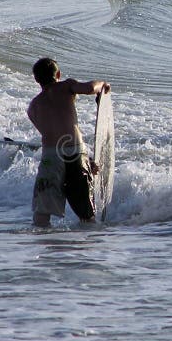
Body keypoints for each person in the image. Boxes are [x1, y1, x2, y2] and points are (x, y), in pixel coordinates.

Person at [27, 58, 110, 227]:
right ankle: (89, 244)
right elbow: (89, 88)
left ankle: (43, 243)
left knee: (42, 213)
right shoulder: (66, 86)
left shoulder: (33, 107)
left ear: (36, 79)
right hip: (75, 153)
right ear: (58, 74)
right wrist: (102, 85)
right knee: (86, 212)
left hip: (50, 156)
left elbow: (52, 134)